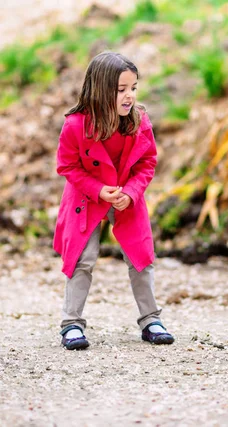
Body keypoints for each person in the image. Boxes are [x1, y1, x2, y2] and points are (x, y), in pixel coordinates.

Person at [53, 51, 174, 350]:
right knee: (83, 258)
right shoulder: (75, 125)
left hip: (126, 197)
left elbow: (148, 162)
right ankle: (71, 323)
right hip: (87, 196)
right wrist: (97, 190)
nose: (129, 96)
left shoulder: (139, 121)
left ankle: (151, 319)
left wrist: (131, 193)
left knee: (140, 256)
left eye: (133, 88)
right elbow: (67, 166)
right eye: (121, 90)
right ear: (99, 89)